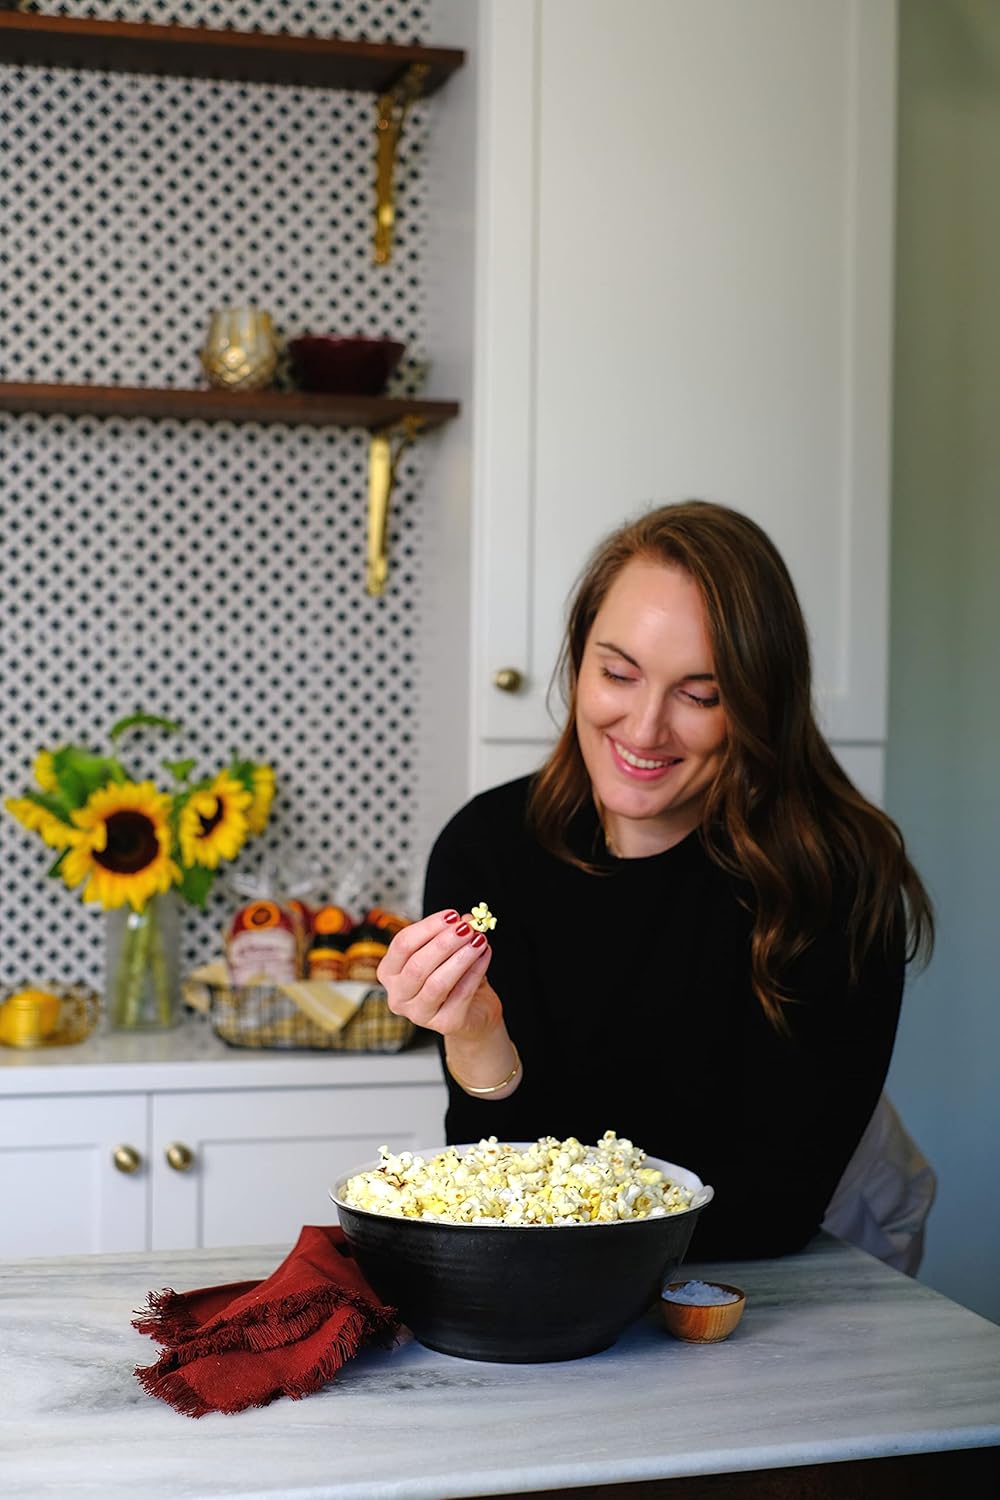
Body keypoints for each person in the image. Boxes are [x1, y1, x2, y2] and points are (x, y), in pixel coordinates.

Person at [377, 501, 934, 1260]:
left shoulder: (834, 875)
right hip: (600, 1256)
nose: (643, 729)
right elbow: (494, 1174)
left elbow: (775, 1204)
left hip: (818, 1238)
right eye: (618, 673)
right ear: (579, 662)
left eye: (700, 695)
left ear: (758, 704)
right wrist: (476, 1036)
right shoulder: (487, 849)